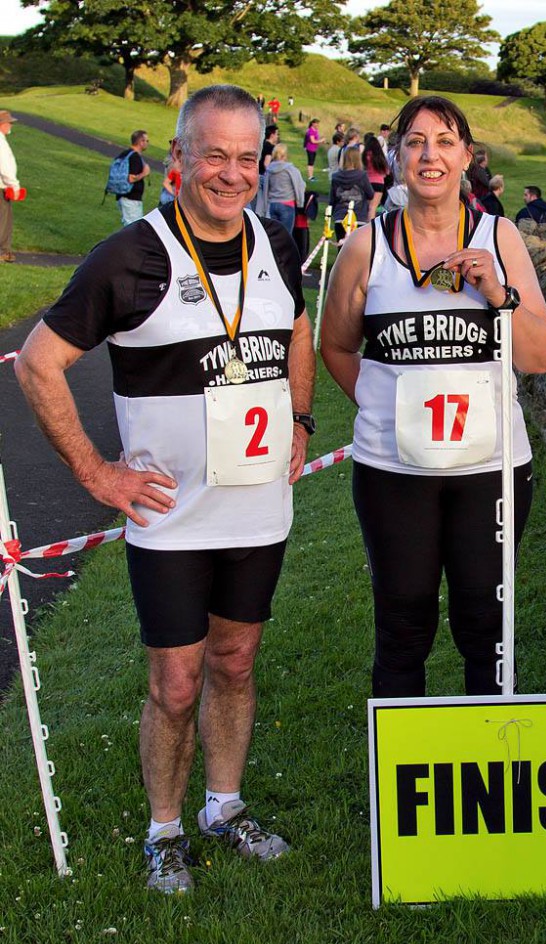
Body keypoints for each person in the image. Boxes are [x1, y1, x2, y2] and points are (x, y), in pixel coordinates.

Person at [14, 84, 316, 894]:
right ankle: (165, 829)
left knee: (238, 661)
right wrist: (95, 471)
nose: (229, 173)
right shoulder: (130, 256)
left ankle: (224, 804)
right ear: (177, 159)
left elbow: (296, 327)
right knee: (176, 681)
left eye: (245, 157)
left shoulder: (278, 240)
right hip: (171, 517)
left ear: (264, 162)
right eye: (212, 154)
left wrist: (303, 419)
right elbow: (40, 362)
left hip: (257, 506)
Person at [319, 95, 546, 698]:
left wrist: (499, 293)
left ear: (467, 157)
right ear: (397, 156)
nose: (431, 155)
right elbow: (338, 348)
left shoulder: (499, 236)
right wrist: (384, 409)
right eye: (417, 142)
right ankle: (405, 784)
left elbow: (539, 356)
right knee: (403, 626)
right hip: (394, 471)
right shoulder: (364, 248)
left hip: (491, 470)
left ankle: (486, 768)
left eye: (445, 142)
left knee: (485, 625)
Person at [265, 144, 306, 248]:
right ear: (285, 155)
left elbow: (266, 187)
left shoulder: (269, 169)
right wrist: (300, 202)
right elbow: (299, 185)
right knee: (286, 236)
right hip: (287, 204)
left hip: (273, 204)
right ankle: (284, 260)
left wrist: (266, 204)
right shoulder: (290, 169)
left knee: (273, 236)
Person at [330, 146, 374, 239]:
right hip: (358, 217)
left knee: (342, 249)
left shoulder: (336, 177)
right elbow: (370, 194)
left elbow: (332, 199)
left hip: (341, 216)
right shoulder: (362, 176)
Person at [0, 109, 23, 263]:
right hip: (2, 187)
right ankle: (2, 251)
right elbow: (5, 167)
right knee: (3, 221)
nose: (10, 126)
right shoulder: (0, 143)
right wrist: (14, 186)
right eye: (8, 123)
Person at [116, 129, 150, 227]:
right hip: (130, 199)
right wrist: (144, 173)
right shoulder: (134, 157)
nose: (147, 143)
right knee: (133, 229)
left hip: (124, 196)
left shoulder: (125, 153)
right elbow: (131, 179)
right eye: (146, 141)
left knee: (132, 228)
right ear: (141, 142)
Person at [362, 132, 389, 217]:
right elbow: (386, 172)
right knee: (373, 208)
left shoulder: (365, 155)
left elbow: (362, 168)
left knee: (366, 207)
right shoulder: (380, 157)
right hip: (379, 183)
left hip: (367, 182)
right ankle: (371, 227)